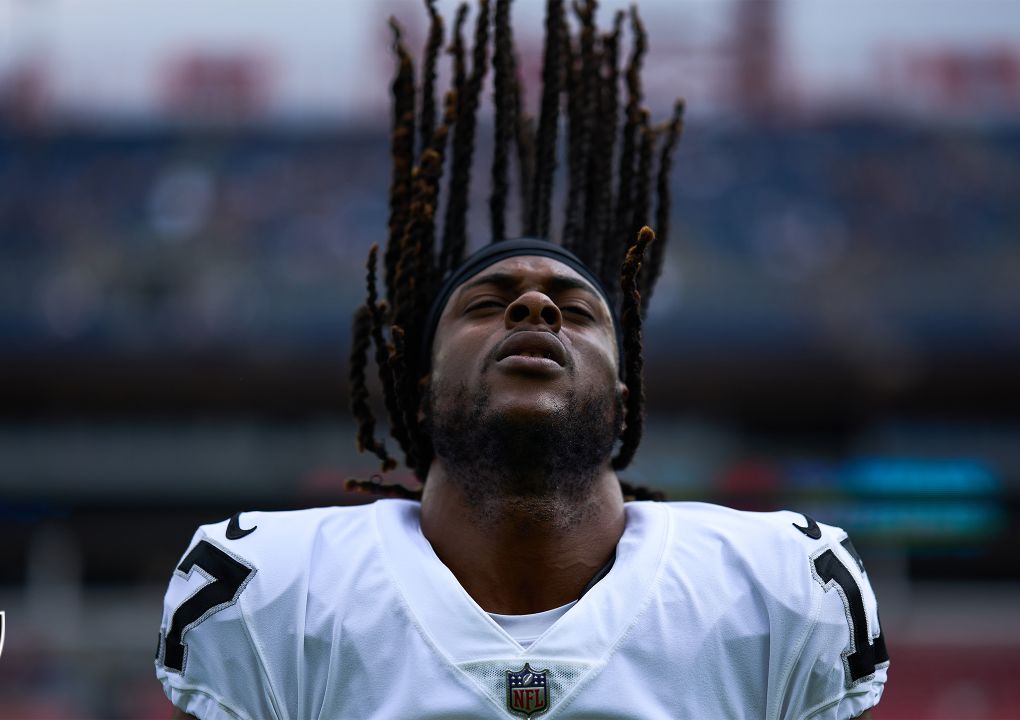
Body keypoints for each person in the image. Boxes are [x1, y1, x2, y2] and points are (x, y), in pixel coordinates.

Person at [155, 1, 889, 718]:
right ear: (419, 394)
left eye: (574, 309)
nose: (534, 309)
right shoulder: (275, 591)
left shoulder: (780, 587)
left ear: (625, 401)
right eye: (487, 302)